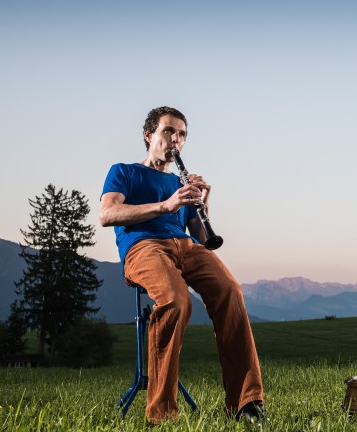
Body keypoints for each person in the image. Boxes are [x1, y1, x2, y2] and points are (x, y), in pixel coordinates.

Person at [100, 106, 264, 425]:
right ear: (149, 135)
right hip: (143, 246)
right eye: (168, 131)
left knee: (230, 291)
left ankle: (246, 402)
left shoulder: (181, 181)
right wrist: (166, 204)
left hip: (186, 246)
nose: (176, 139)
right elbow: (107, 214)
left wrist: (204, 200)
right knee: (176, 301)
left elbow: (201, 236)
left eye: (182, 134)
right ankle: (161, 414)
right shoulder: (124, 171)